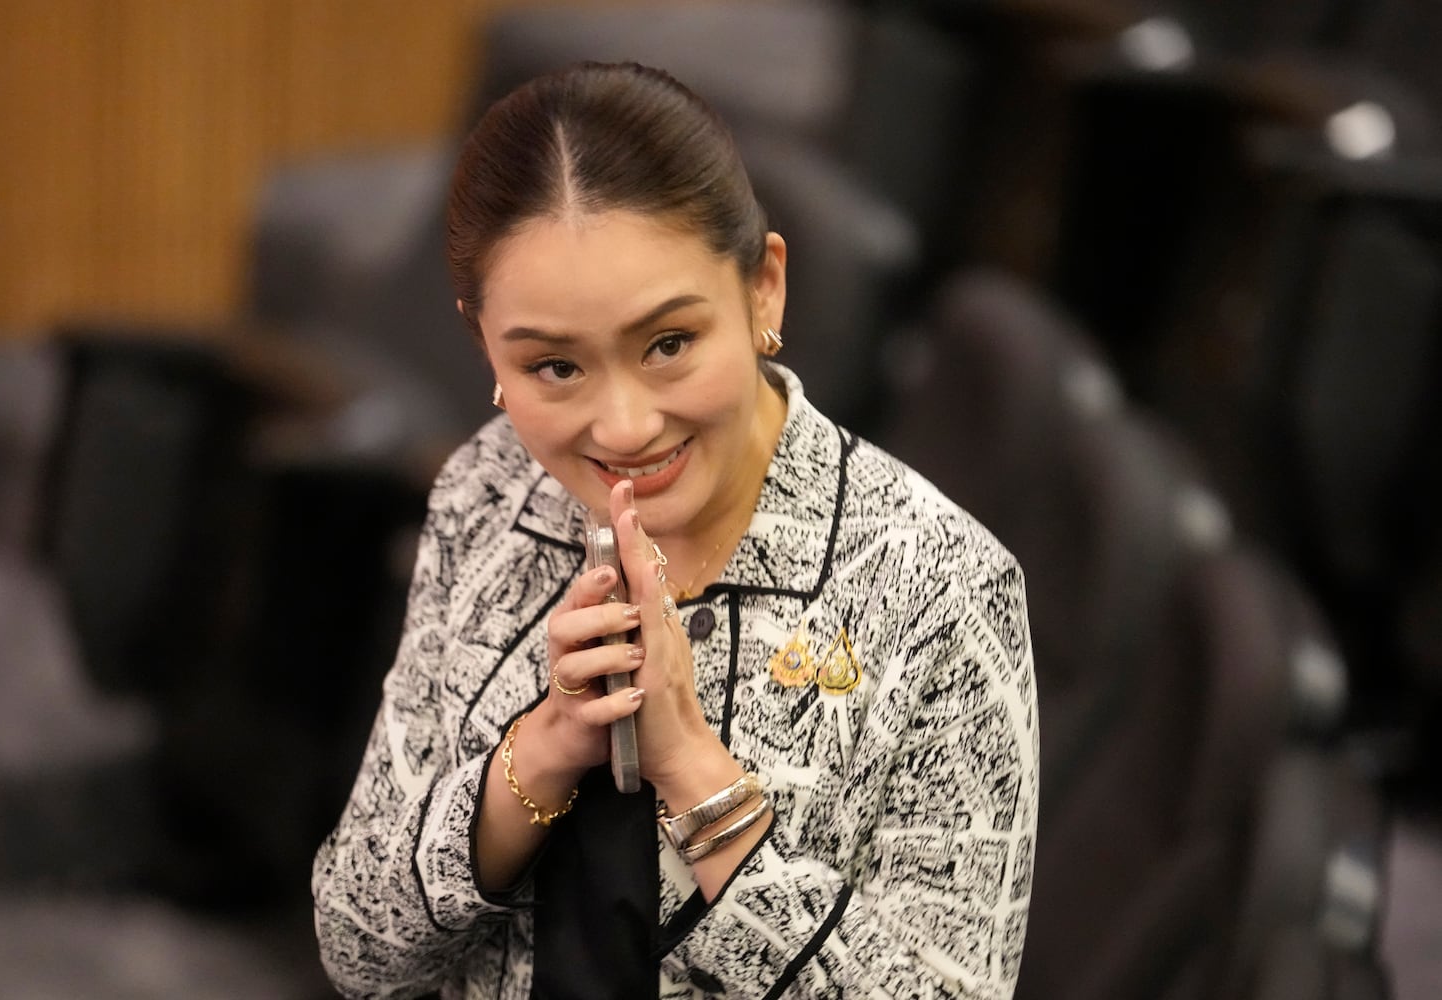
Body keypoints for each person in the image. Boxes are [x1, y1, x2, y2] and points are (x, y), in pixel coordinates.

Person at [312, 61, 1038, 999]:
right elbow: (358, 948)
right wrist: (542, 751)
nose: (622, 427)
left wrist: (692, 771)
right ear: (483, 343)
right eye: (554, 368)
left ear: (764, 291)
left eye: (667, 345)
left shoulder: (937, 585)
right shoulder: (488, 494)